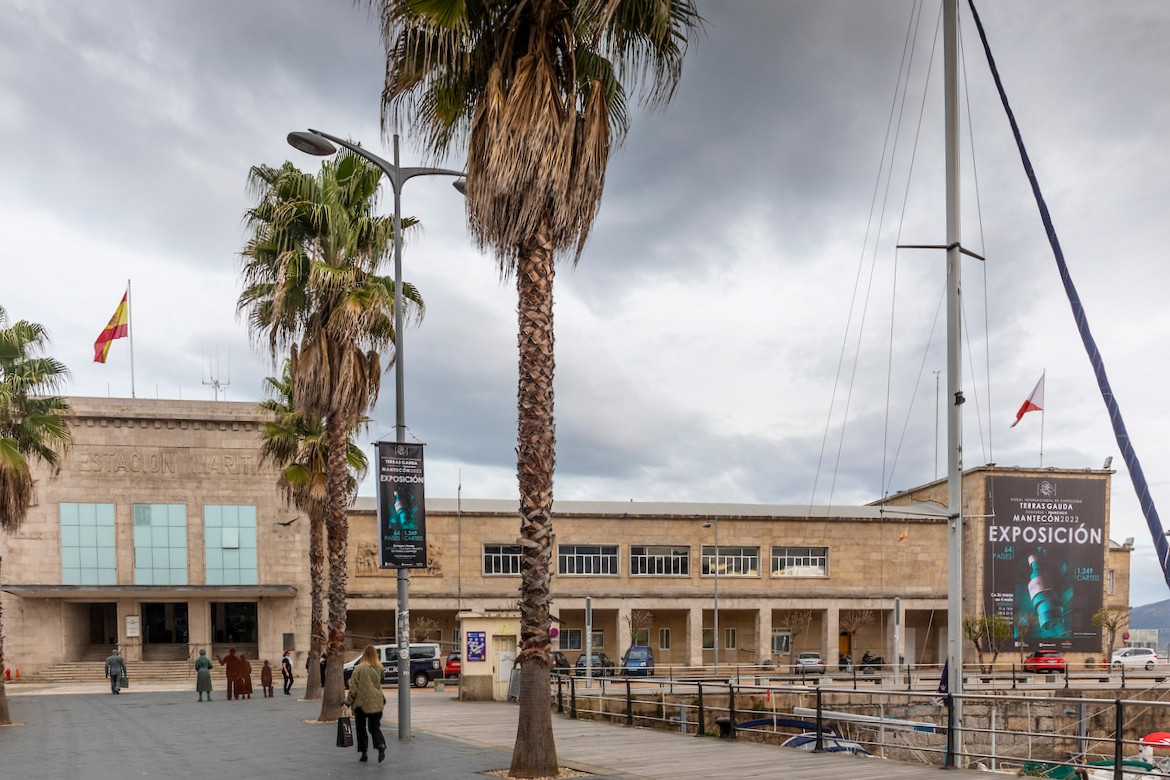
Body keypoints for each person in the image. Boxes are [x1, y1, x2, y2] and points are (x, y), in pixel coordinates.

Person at [343, 644, 387, 763]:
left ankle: (364, 753)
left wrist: (347, 703)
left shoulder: (358, 668)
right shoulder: (379, 667)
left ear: (364, 655)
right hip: (377, 702)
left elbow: (353, 688)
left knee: (361, 728)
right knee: (374, 727)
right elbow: (381, 679)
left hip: (361, 703)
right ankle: (381, 745)